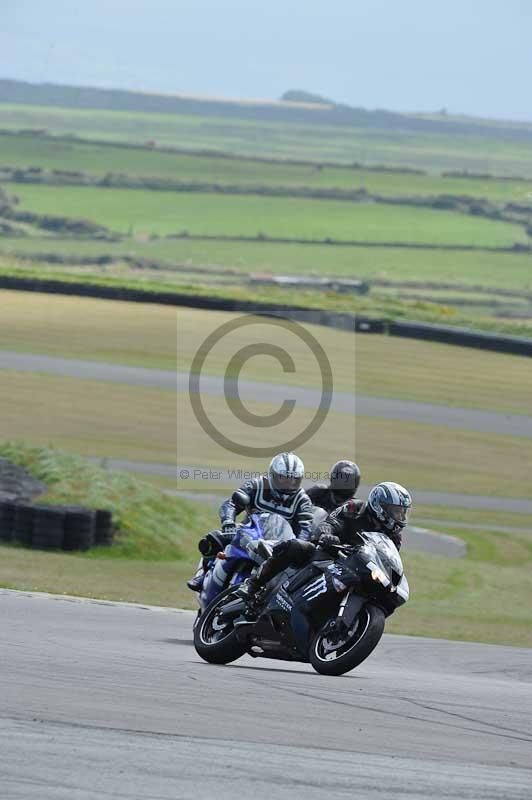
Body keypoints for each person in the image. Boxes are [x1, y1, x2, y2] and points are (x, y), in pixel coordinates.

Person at [240, 481, 412, 600]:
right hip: (330, 552)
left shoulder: (395, 537)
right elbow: (330, 522)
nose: (400, 517)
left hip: (357, 568)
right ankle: (252, 585)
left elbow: (388, 560)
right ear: (379, 505)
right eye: (396, 511)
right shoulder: (355, 508)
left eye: (403, 513)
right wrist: (327, 535)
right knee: (295, 547)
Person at [187, 452, 313, 591]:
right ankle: (202, 575)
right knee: (213, 540)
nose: (288, 483)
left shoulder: (303, 500)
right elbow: (231, 504)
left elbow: (305, 528)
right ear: (272, 474)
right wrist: (228, 522)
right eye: (283, 478)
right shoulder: (257, 484)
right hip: (248, 532)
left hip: (279, 543)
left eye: (293, 480)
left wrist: (298, 546)